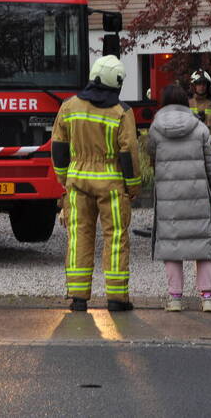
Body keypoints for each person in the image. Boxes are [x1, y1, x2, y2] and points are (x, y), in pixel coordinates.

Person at [51, 55, 142, 312]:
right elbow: (129, 153)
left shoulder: (69, 107)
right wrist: (132, 187)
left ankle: (78, 298)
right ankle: (117, 299)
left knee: (79, 236)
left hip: (78, 182)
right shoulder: (121, 112)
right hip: (112, 186)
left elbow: (58, 147)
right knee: (115, 238)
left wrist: (64, 178)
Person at [146, 83, 211, 312]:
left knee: (171, 246)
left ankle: (175, 298)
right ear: (185, 102)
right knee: (202, 245)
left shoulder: (155, 130)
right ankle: (207, 297)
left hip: (169, 198)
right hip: (197, 195)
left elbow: (151, 156)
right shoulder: (200, 130)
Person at [189, 69, 211, 222]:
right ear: (193, 86)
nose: (201, 87)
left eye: (204, 84)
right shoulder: (187, 104)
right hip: (191, 147)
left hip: (209, 146)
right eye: (198, 84)